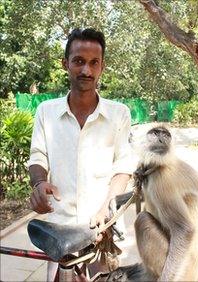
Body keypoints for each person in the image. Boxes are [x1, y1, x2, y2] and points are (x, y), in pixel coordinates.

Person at [28, 28, 134, 281]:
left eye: (93, 62)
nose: (86, 70)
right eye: (78, 61)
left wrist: (106, 209)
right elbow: (37, 157)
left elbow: (123, 166)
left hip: (102, 230)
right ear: (66, 64)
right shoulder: (46, 112)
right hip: (60, 232)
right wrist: (40, 184)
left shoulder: (119, 114)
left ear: (102, 67)